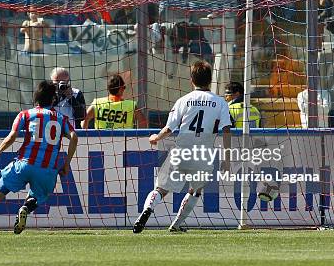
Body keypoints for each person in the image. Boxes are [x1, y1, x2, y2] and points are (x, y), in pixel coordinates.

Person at [0, 81, 78, 235]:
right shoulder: (61, 118)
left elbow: (12, 136)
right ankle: (26, 208)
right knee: (38, 196)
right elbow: (74, 137)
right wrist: (67, 164)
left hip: (24, 163)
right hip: (46, 169)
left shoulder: (26, 114)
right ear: (53, 99)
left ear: (36, 98)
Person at [133, 61, 232, 233]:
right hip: (203, 154)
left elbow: (169, 128)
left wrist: (156, 138)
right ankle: (176, 224)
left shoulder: (183, 100)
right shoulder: (220, 102)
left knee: (160, 189)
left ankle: (147, 210)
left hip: (181, 152)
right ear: (210, 80)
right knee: (195, 191)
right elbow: (226, 130)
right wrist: (227, 158)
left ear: (191, 80)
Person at [81, 74, 147, 129]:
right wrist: (139, 138)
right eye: (124, 87)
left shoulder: (97, 103)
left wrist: (87, 138)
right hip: (125, 141)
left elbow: (84, 120)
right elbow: (143, 122)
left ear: (108, 88)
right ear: (121, 89)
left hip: (101, 141)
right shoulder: (131, 105)